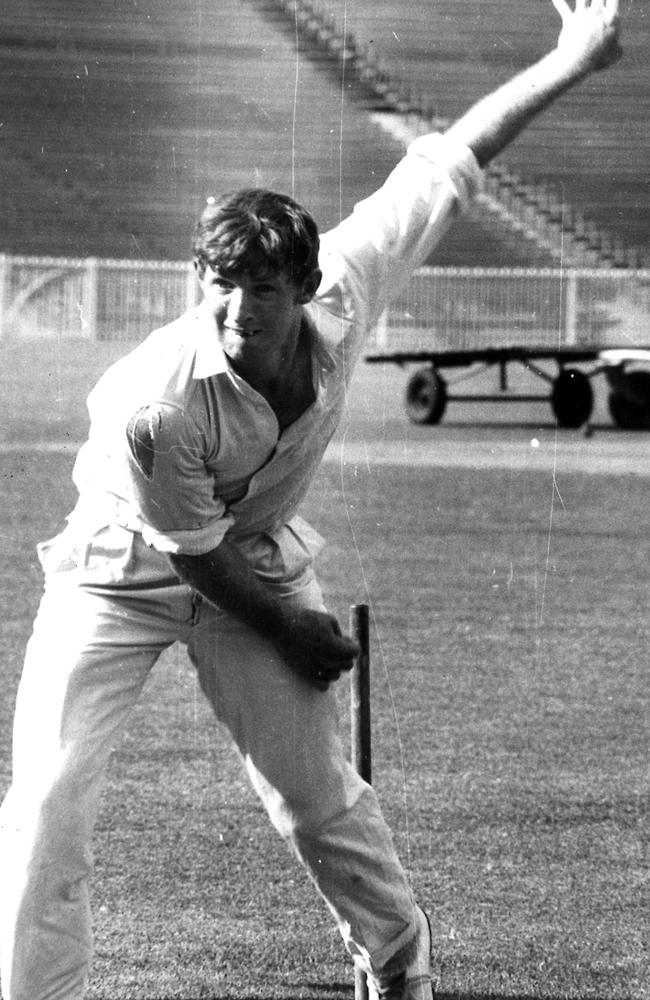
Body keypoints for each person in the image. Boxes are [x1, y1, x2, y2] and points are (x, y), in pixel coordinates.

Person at [0, 2, 621, 998]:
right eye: (221, 286)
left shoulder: (348, 281)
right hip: (119, 569)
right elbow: (188, 547)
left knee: (313, 795)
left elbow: (449, 162)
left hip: (249, 550)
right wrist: (290, 624)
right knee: (49, 798)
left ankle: (398, 967)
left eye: (262, 291)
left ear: (307, 283)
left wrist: (568, 58)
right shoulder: (151, 399)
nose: (239, 312)